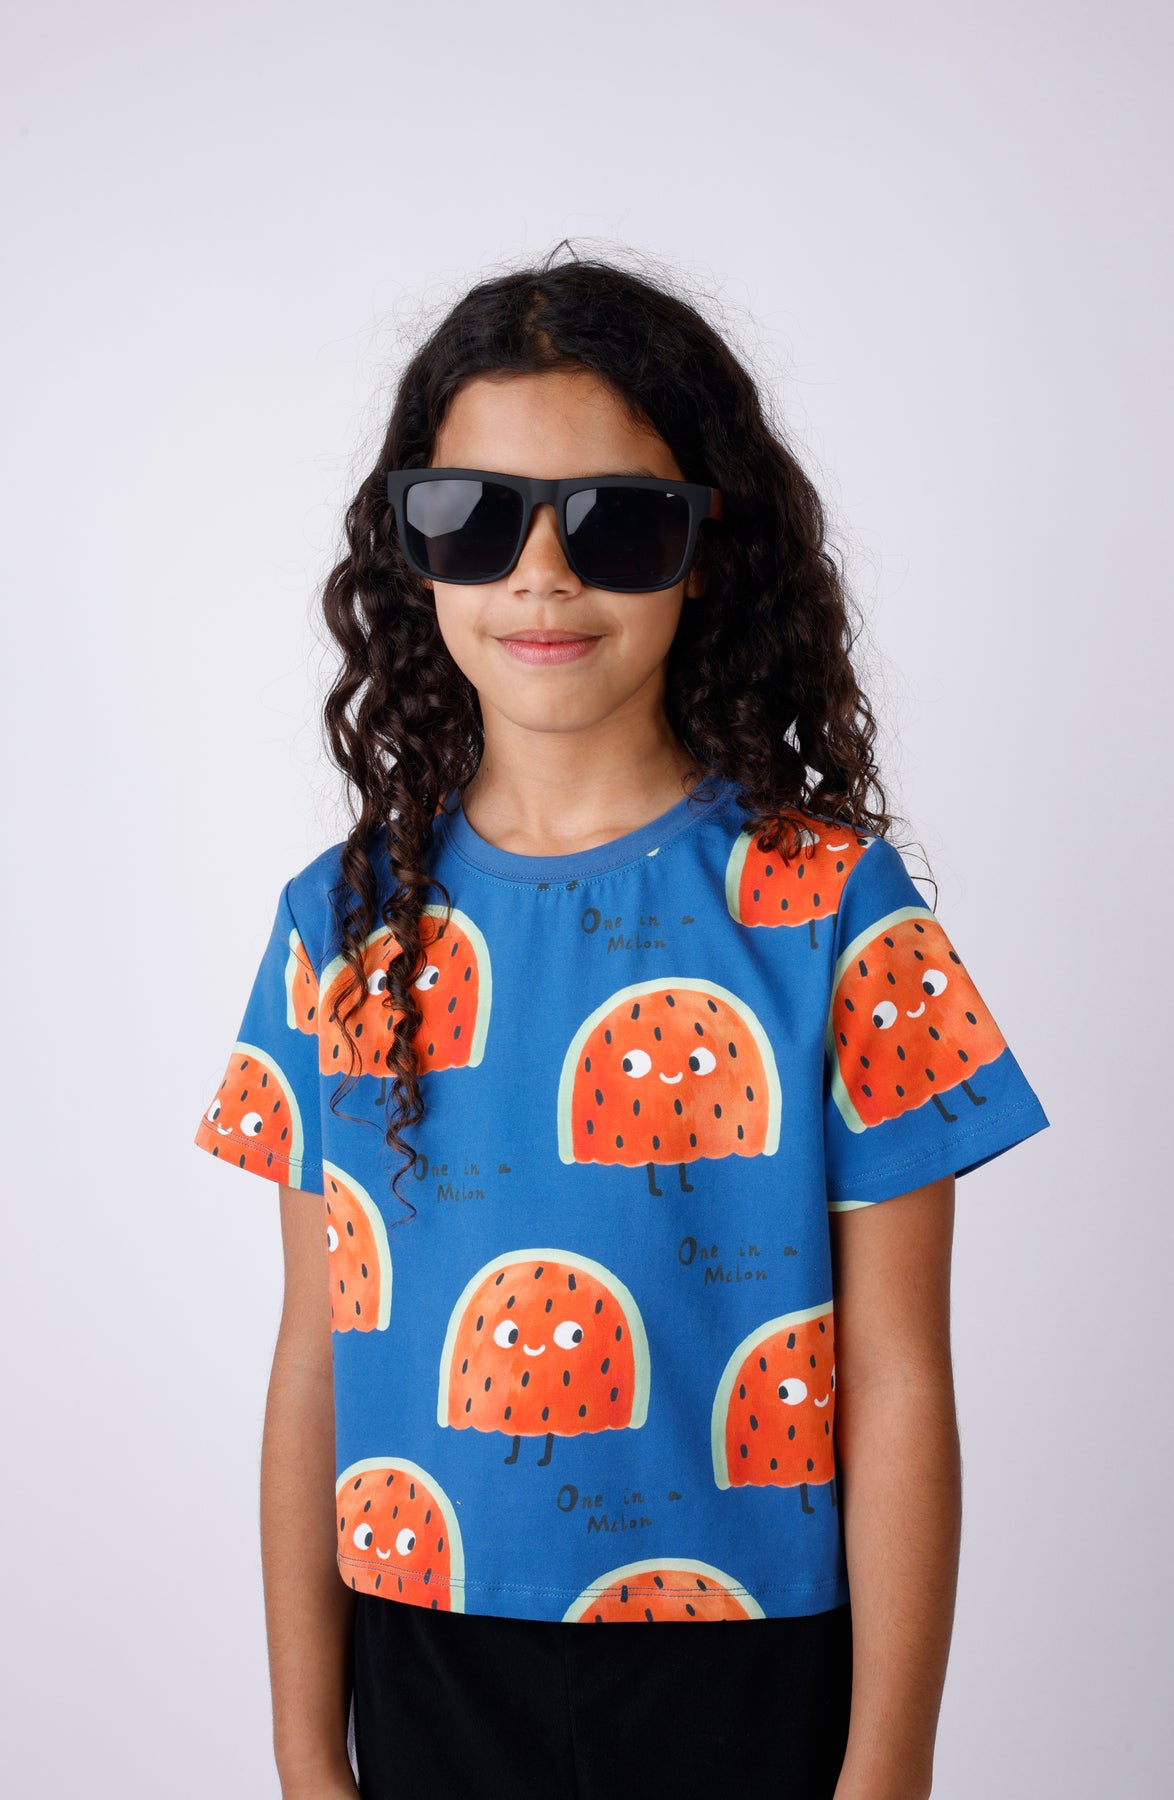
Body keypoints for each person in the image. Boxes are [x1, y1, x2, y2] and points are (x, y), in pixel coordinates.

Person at [193, 247, 1050, 1800]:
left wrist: (890, 1768)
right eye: (473, 517)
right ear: (409, 551)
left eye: (616, 521)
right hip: (423, 1644)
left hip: (751, 1654)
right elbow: (314, 1348)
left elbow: (899, 1376)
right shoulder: (336, 925)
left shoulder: (839, 911)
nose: (542, 573)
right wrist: (304, 1751)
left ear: (707, 551)